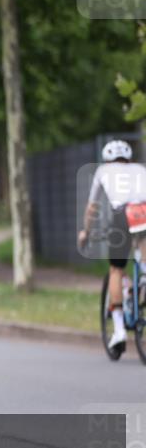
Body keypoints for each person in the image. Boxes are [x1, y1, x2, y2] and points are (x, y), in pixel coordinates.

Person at [77, 139, 146, 351]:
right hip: (144, 212)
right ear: (129, 157)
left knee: (116, 269)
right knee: (143, 255)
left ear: (107, 159)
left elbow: (92, 207)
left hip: (122, 214)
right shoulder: (140, 169)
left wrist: (86, 231)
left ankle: (118, 331)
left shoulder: (103, 171)